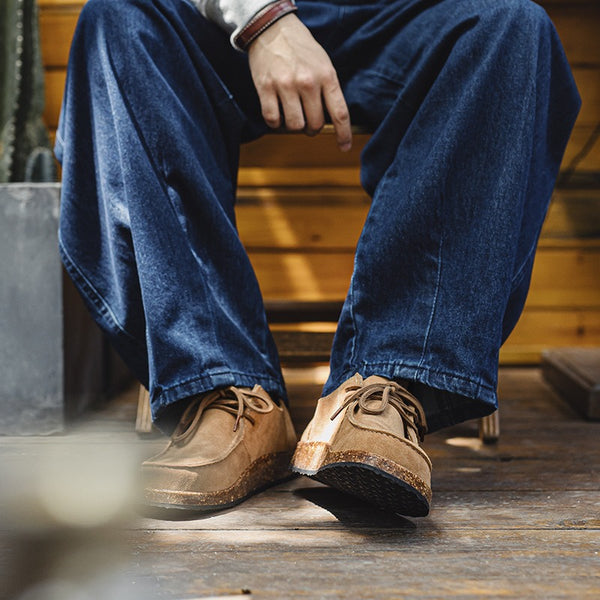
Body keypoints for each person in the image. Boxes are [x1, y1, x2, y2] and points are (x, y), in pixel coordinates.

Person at [55, 0, 580, 517]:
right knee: (118, 19)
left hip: (412, 16)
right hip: (232, 19)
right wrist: (262, 19)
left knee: (513, 26)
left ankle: (388, 385)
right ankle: (225, 390)